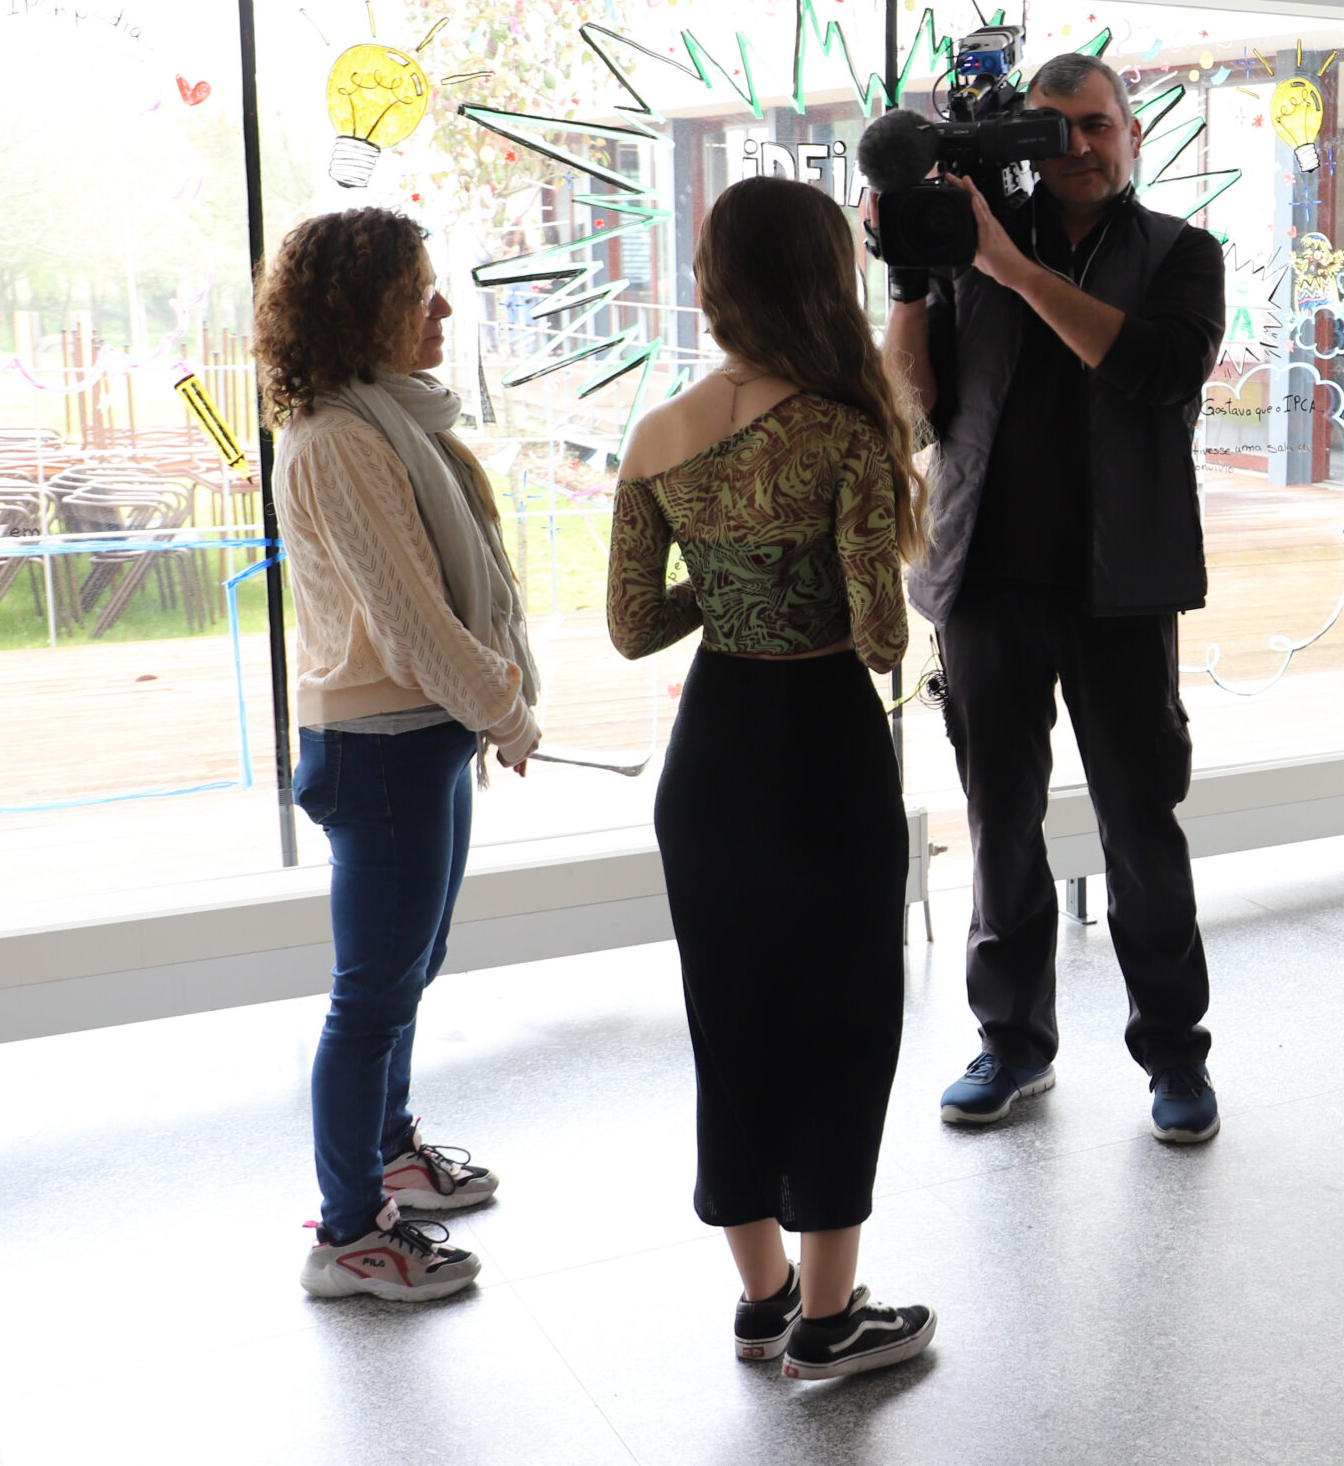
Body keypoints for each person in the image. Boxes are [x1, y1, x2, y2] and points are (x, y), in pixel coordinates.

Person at [609, 176, 936, 1379]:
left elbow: (634, 627)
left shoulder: (656, 435)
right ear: (823, 281)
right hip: (822, 752)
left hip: (712, 759)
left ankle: (763, 1301)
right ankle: (832, 1321)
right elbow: (880, 634)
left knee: (730, 1022)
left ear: (715, 284)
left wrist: (729, 585)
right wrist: (798, 578)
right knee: (844, 1022)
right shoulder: (845, 431)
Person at [883, 52, 1229, 1144]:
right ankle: (1011, 1045)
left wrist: (1011, 269)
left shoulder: (1181, 253)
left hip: (1122, 588)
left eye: (1095, 125)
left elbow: (1157, 371)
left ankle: (1174, 1054)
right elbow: (914, 403)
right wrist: (909, 281)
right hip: (984, 579)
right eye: (1054, 128)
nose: (1076, 147)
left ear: (1133, 133)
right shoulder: (968, 242)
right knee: (1001, 829)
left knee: (1141, 828)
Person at [257, 208, 540, 1302]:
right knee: (370, 997)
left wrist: (485, 712)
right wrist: (506, 710)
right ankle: (348, 1236)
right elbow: (415, 625)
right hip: (380, 747)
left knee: (409, 970)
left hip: (419, 739)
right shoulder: (337, 441)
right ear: (360, 308)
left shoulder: (382, 420)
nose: (442, 308)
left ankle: (390, 1156)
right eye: (418, 292)